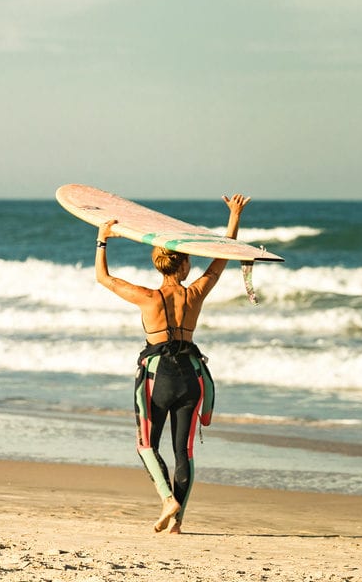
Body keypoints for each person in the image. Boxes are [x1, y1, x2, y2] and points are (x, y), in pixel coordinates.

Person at [95, 194, 250, 535]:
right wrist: (234, 217)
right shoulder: (195, 294)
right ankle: (177, 523)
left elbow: (104, 278)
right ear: (182, 266)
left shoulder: (147, 298)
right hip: (191, 376)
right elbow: (222, 260)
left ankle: (167, 500)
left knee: (146, 444)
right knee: (185, 451)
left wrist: (103, 238)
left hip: (158, 377)